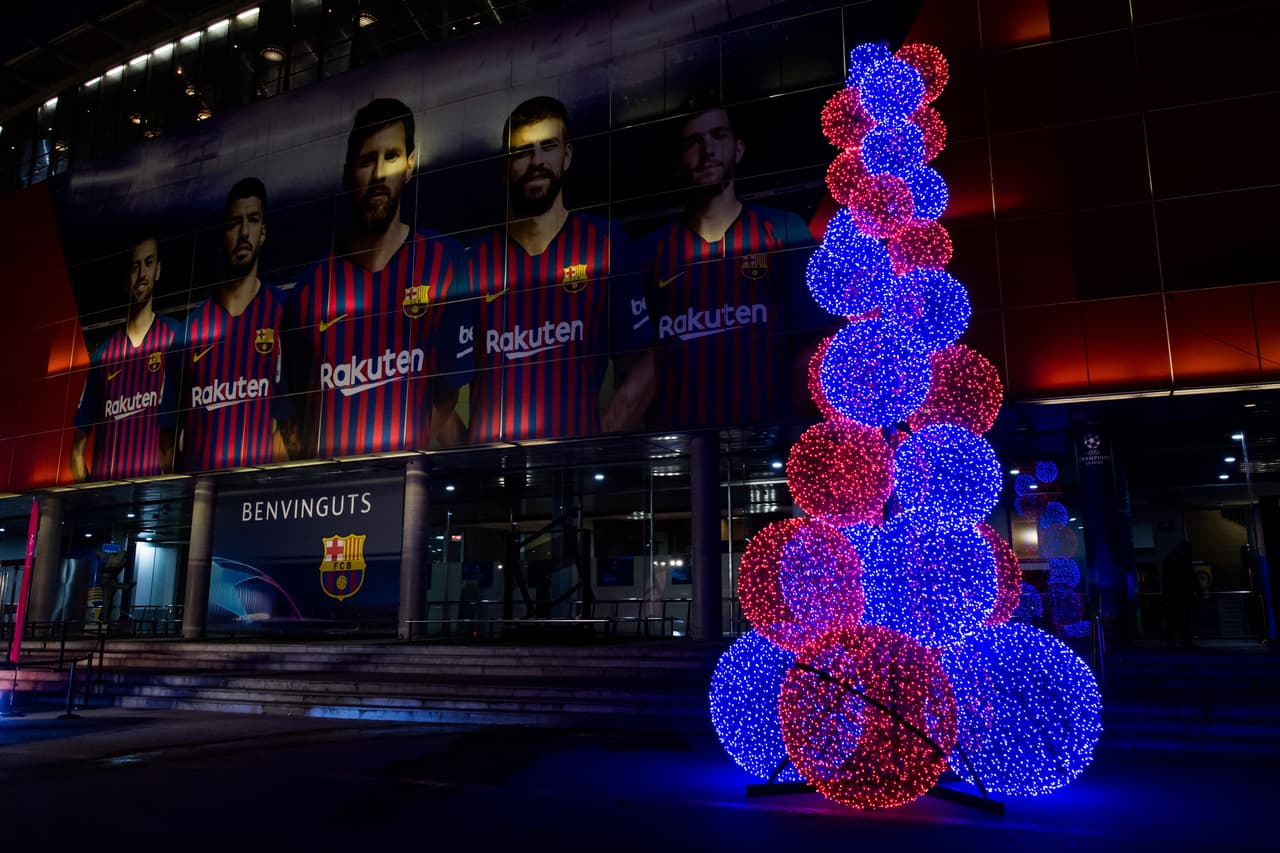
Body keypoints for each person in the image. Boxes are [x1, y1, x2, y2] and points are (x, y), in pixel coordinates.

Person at [274, 98, 471, 459]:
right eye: (367, 160)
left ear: (410, 164)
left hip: (405, 488)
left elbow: (447, 394)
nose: (379, 174)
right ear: (348, 173)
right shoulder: (307, 292)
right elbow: (292, 416)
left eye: (391, 156)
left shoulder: (447, 261)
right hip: (324, 498)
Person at [464, 96, 654, 442]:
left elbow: (641, 364)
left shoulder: (607, 243)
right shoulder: (471, 263)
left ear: (566, 155)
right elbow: (439, 384)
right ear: (505, 168)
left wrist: (601, 437)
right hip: (487, 479)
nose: (537, 161)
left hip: (576, 475)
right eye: (523, 151)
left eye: (548, 146)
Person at [639, 105, 828, 430]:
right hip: (679, 449)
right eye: (693, 142)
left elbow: (812, 346)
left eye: (718, 136)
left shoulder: (784, 229)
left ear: (738, 149)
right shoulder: (649, 251)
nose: (707, 150)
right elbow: (637, 366)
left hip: (771, 442)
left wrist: (791, 426)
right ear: (678, 161)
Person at [179, 177, 287, 471]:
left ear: (263, 231)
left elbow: (293, 423)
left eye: (252, 220)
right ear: (222, 233)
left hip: (265, 495)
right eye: (233, 223)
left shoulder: (285, 311)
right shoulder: (190, 329)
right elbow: (174, 433)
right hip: (199, 496)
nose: (243, 233)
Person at [70, 236, 182, 481]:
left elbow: (180, 431)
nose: (142, 273)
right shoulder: (103, 355)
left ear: (158, 270)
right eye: (134, 266)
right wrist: (90, 498)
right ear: (125, 278)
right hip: (108, 504)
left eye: (148, 263)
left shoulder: (176, 335)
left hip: (158, 504)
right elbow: (77, 447)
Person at [1162, 541, 1197, 649]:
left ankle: (1172, 639)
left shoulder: (1170, 560)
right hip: (1183, 596)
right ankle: (1185, 642)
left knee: (1177, 619)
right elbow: (1191, 578)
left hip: (1174, 596)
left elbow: (1167, 580)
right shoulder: (1185, 561)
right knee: (1184, 620)